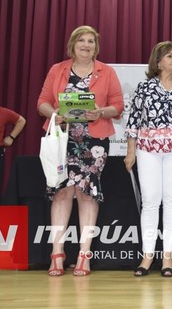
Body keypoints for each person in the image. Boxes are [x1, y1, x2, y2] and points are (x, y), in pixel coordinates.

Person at [37, 25, 123, 276]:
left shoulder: (106, 71)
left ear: (96, 47)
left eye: (91, 42)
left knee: (87, 194)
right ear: (72, 44)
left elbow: (118, 105)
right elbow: (41, 102)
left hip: (93, 142)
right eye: (82, 41)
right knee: (61, 193)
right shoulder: (58, 69)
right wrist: (54, 114)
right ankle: (57, 254)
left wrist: (100, 112)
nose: (87, 45)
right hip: (62, 139)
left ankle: (84, 254)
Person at [124, 41, 172, 277]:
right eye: (169, 56)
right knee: (151, 202)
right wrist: (131, 151)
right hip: (147, 150)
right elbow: (133, 121)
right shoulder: (144, 87)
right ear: (158, 61)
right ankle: (147, 256)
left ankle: (168, 257)